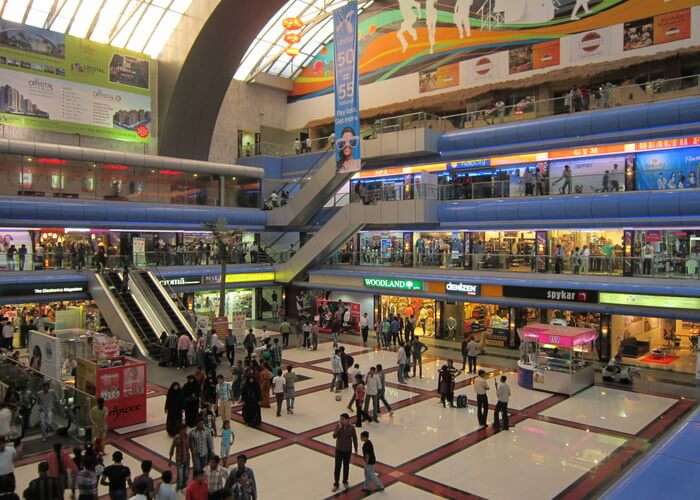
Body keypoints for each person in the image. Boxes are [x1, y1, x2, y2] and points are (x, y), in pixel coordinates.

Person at [332, 413, 358, 492]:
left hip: (347, 450)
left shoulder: (352, 428)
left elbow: (354, 438)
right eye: (340, 419)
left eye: (342, 419)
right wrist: (339, 428)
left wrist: (356, 449)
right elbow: (334, 436)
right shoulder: (338, 426)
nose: (341, 421)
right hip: (339, 450)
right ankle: (336, 483)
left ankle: (345, 481)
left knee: (346, 466)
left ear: (347, 420)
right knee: (337, 467)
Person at [168, 425, 190, 492]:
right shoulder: (176, 438)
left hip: (187, 459)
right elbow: (172, 448)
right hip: (179, 459)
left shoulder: (187, 437)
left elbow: (190, 446)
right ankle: (179, 487)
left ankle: (184, 486)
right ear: (180, 430)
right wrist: (170, 459)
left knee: (186, 475)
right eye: (183, 429)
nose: (185, 431)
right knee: (180, 475)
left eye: (185, 429)